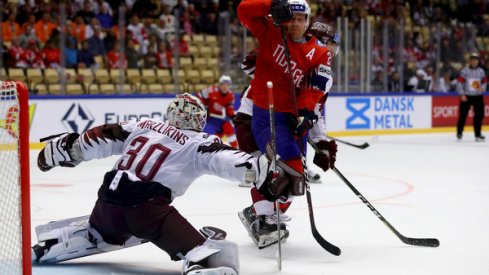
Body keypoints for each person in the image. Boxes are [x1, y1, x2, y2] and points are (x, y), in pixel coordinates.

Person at [31, 93, 288, 275]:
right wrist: (262, 170)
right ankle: (197, 258)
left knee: (106, 226)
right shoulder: (197, 142)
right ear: (199, 120)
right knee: (210, 256)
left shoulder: (142, 124)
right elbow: (227, 160)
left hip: (105, 206)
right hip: (146, 212)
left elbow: (99, 137)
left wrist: (67, 149)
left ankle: (90, 234)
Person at [236, 0, 338, 249]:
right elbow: (243, 11)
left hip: (295, 120)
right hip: (267, 113)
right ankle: (264, 217)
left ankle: (264, 213)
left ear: (307, 22)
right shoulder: (272, 29)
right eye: (291, 18)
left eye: (300, 19)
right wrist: (271, 4)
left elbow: (314, 95)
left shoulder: (320, 54)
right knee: (286, 168)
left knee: (297, 178)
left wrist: (309, 121)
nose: (295, 23)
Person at [235, 47, 322, 185]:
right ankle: (254, 171)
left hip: (268, 119)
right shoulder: (265, 81)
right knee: (259, 160)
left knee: (292, 141)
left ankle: (300, 168)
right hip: (247, 120)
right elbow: (248, 63)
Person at [196, 75, 238, 148]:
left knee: (225, 128)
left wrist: (232, 116)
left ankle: (216, 146)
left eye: (227, 85)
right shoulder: (211, 90)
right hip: (205, 115)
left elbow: (229, 107)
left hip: (217, 117)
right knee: (225, 127)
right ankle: (235, 148)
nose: (225, 87)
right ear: (220, 85)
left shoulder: (230, 96)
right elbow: (198, 96)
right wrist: (203, 107)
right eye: (223, 84)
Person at [456, 52, 487, 141]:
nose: (474, 62)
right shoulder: (464, 71)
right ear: (470, 61)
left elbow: (484, 82)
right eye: (472, 60)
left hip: (478, 96)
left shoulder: (481, 71)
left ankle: (478, 134)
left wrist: (483, 88)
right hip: (467, 97)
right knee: (463, 115)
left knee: (479, 116)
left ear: (478, 61)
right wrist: (462, 94)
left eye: (476, 60)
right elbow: (459, 83)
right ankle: (459, 133)